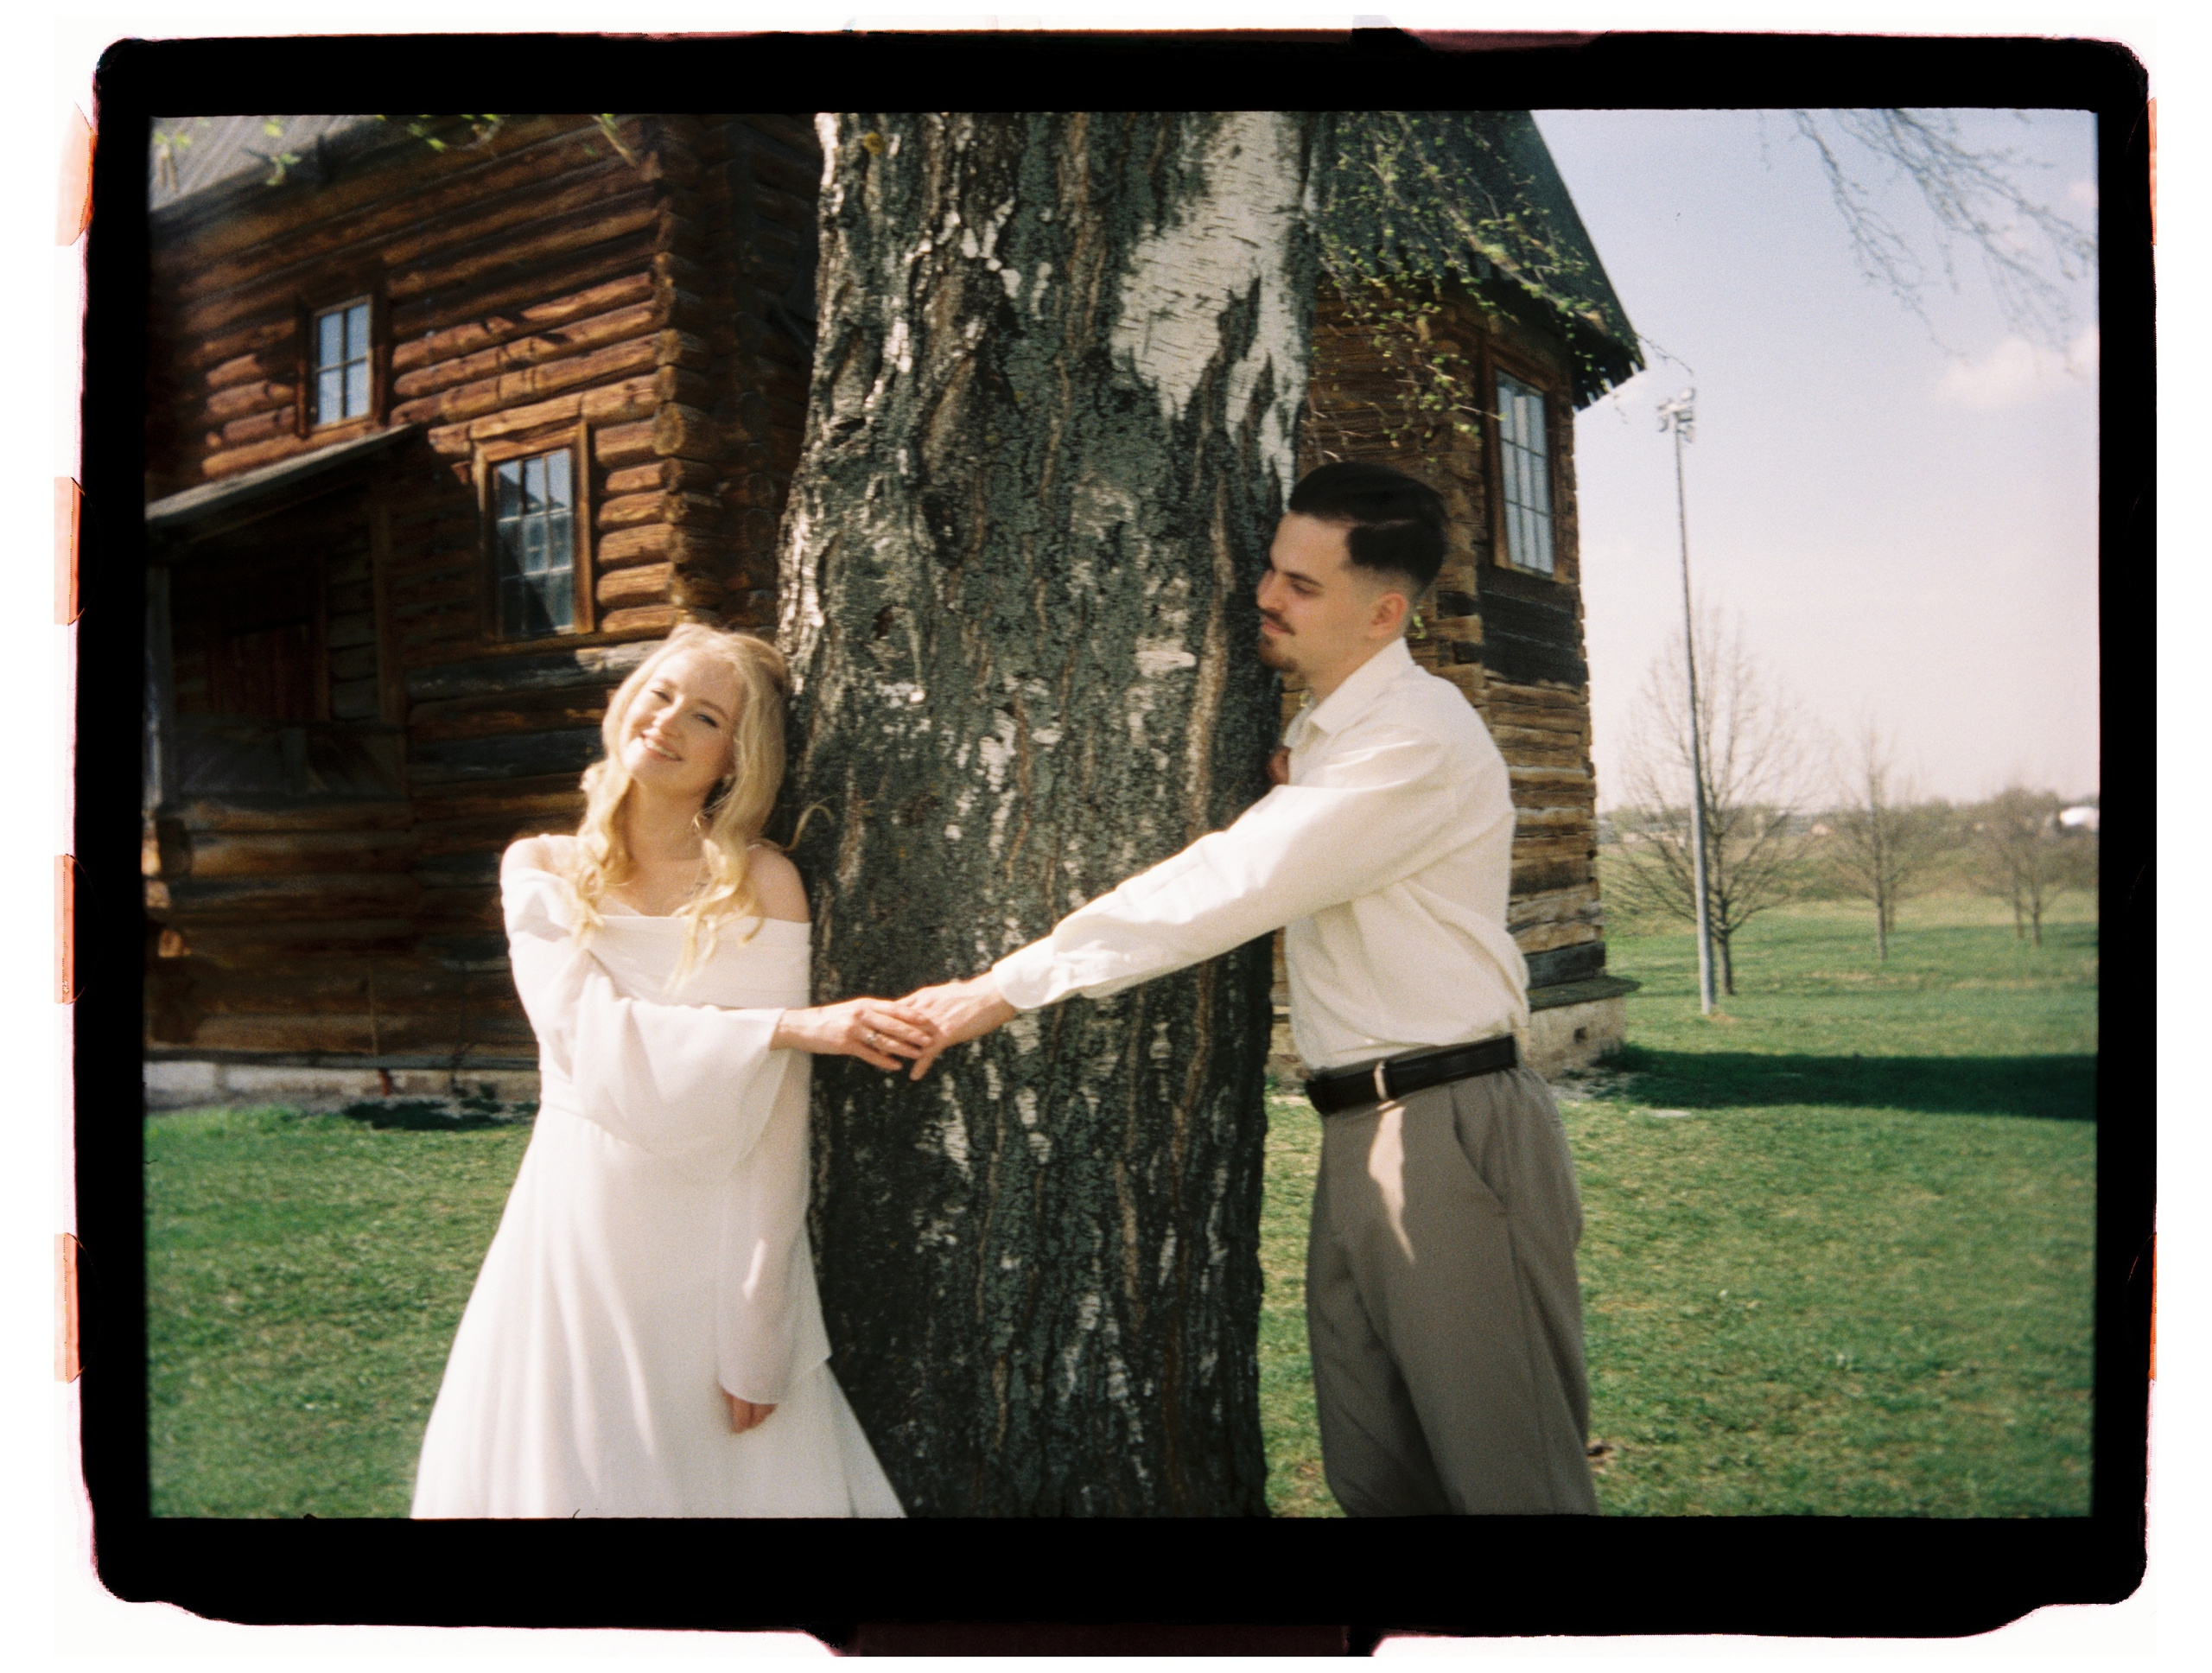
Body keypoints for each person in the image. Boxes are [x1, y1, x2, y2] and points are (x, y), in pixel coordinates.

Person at [899, 461, 1599, 1517]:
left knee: (1510, 1488)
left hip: (1451, 1129)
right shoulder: (1335, 740)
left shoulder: (1414, 736)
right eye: (1273, 570)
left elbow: (1234, 879)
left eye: (1301, 586)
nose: (1265, 596)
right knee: (1384, 1484)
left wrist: (1007, 987)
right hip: (1367, 1127)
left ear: (1385, 613)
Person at [412, 625, 928, 1518]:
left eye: (705, 716)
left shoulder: (762, 882)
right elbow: (587, 1036)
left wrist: (758, 1325)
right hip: (577, 1225)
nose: (667, 722)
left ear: (736, 757)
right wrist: (790, 1026)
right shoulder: (541, 867)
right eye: (658, 693)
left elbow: (775, 1125)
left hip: (710, 1235)